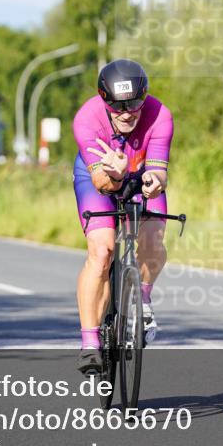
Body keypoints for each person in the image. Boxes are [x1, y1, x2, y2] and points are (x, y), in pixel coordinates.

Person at [72, 59, 173, 374]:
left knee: (154, 238)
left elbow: (158, 174)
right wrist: (114, 174)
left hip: (140, 176)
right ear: (104, 100)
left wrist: (154, 183)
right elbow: (103, 183)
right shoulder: (86, 120)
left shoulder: (160, 115)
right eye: (118, 106)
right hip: (97, 178)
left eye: (135, 103)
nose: (128, 112)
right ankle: (90, 342)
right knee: (102, 252)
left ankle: (142, 298)